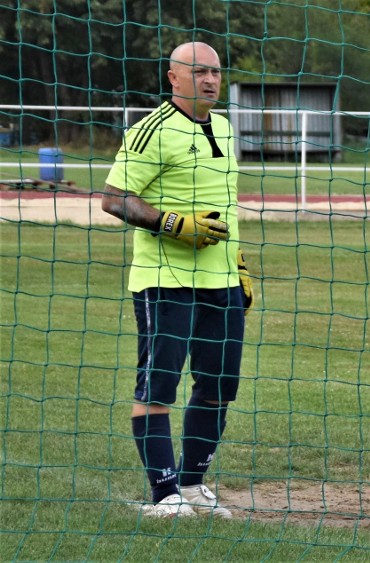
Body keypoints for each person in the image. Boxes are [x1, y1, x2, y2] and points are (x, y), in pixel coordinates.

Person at [102, 42, 253, 518]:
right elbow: (114, 198)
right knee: (158, 387)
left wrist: (240, 266)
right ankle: (164, 496)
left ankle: (191, 486)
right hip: (164, 279)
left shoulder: (226, 129)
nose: (210, 79)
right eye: (199, 71)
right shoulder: (151, 130)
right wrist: (172, 224)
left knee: (217, 387)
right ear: (173, 77)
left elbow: (225, 208)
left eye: (216, 71)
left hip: (222, 282)